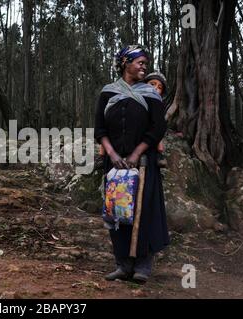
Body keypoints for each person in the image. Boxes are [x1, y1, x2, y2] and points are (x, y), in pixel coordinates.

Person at [94, 45, 169, 283]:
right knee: (117, 212)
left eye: (146, 63)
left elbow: (157, 128)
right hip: (115, 165)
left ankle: (143, 266)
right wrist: (112, 154)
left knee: (143, 212)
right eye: (140, 62)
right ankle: (123, 265)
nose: (144, 67)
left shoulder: (151, 94)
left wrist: (137, 153)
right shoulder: (108, 93)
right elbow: (100, 129)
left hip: (144, 163)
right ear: (125, 63)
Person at [144, 71, 168, 168]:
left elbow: (159, 125)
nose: (155, 88)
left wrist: (159, 144)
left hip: (151, 144)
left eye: (159, 87)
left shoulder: (158, 104)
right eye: (152, 84)